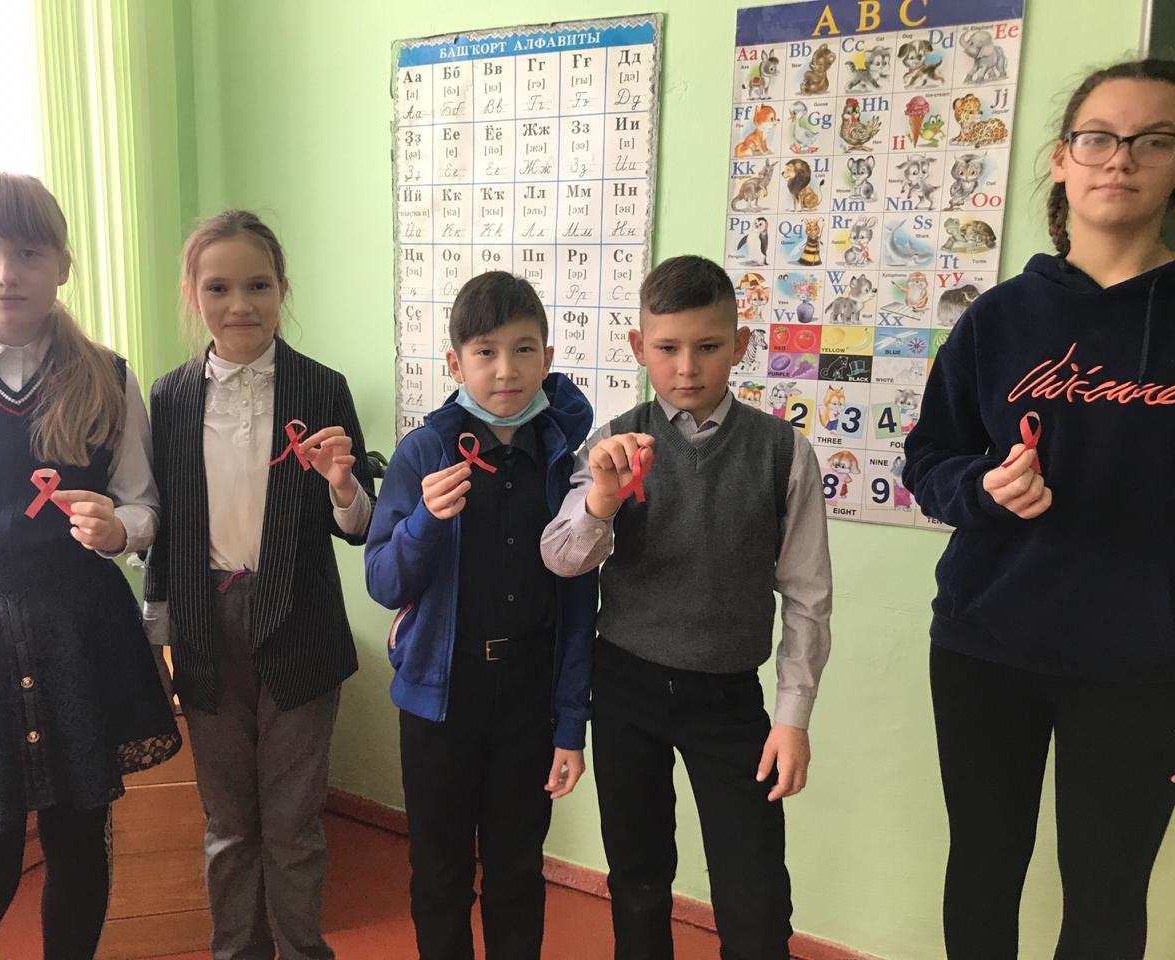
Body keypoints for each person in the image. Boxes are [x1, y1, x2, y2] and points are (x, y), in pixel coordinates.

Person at [902, 59, 1175, 960]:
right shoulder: (998, 318)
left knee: (1108, 892)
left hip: (1144, 667)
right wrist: (982, 490)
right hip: (988, 646)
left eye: (1153, 141)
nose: (1120, 159)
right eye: (1098, 138)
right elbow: (928, 461)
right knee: (984, 867)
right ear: (1062, 160)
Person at [0, 170, 179, 959]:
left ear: (62, 263)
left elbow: (146, 508)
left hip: (77, 647)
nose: (4, 273)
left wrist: (117, 529)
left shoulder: (108, 376)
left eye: (27, 252)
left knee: (82, 857)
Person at [542, 254, 832, 960]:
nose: (687, 368)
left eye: (708, 346)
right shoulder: (612, 443)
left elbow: (807, 593)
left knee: (755, 894)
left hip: (729, 698)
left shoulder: (781, 451)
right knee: (638, 877)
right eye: (667, 348)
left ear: (739, 344)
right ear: (639, 348)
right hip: (626, 686)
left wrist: (792, 716)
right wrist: (602, 500)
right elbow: (563, 558)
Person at [144, 209, 375, 960]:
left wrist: (342, 485)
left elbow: (359, 527)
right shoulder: (170, 397)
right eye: (218, 287)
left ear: (282, 289)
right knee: (229, 824)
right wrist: (157, 637)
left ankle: (304, 950)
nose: (240, 303)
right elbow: (164, 528)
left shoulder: (323, 387)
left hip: (301, 622)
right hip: (205, 626)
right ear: (193, 295)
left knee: (294, 824)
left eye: (258, 285)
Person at [365, 271, 596, 960]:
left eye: (524, 350)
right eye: (485, 352)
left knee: (517, 871)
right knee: (439, 873)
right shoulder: (424, 452)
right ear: (455, 363)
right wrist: (426, 522)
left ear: (547, 359)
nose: (505, 370)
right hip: (439, 700)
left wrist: (571, 722)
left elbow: (578, 600)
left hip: (527, 699)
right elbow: (383, 580)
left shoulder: (560, 456)